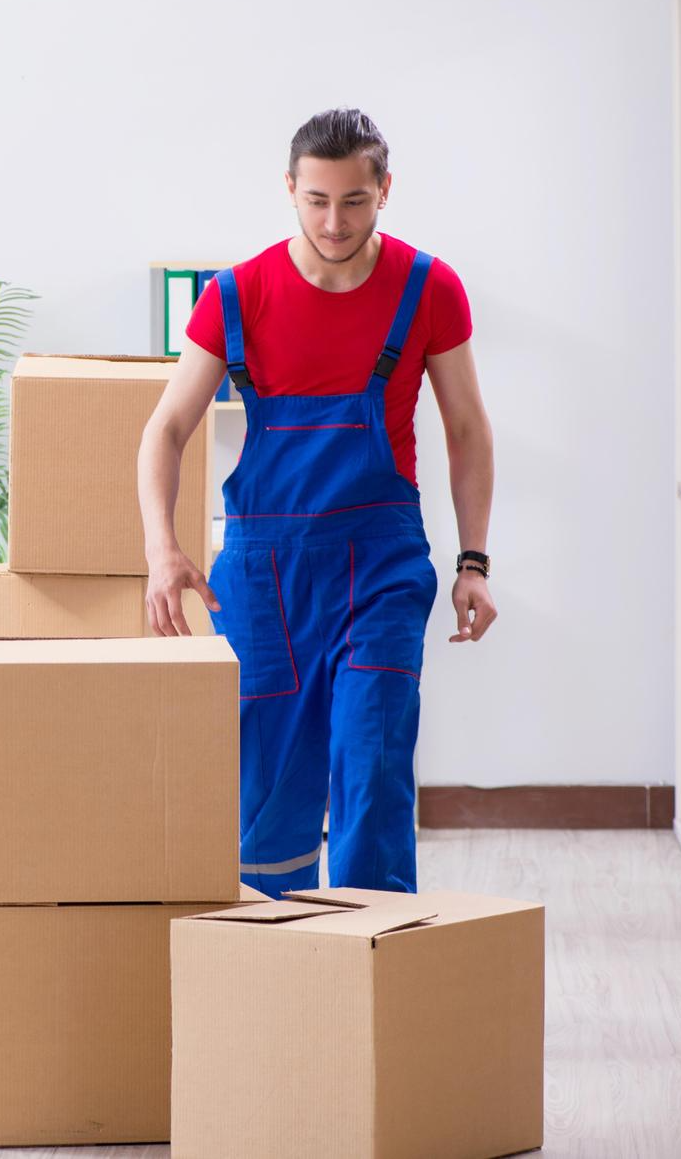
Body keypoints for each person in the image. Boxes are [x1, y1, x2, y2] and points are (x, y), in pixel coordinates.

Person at [137, 108, 497, 897]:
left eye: (356, 202)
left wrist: (473, 560)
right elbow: (165, 429)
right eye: (317, 201)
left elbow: (467, 428)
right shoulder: (235, 297)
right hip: (266, 581)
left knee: (371, 767)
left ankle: (370, 975)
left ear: (385, 190)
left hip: (383, 567)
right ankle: (276, 989)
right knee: (267, 794)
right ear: (290, 190)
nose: (335, 222)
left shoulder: (428, 287)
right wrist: (162, 549)